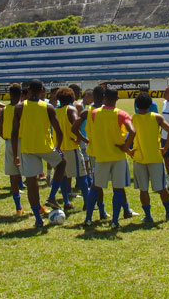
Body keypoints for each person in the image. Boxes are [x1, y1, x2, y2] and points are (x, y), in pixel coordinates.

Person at [11, 79, 67, 228]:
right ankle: (52, 196)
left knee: (31, 183)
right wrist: (58, 147)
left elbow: (14, 132)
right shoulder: (48, 107)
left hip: (27, 148)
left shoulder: (20, 107)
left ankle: (38, 218)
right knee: (62, 163)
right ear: (42, 90)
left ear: (28, 90)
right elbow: (59, 132)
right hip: (45, 146)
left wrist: (15, 154)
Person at [84, 88, 137, 229]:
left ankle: (88, 218)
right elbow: (132, 131)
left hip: (101, 156)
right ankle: (114, 221)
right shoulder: (122, 114)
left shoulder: (95, 113)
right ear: (117, 98)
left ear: (104, 97)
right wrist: (125, 146)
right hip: (118, 156)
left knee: (95, 187)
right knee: (118, 189)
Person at [130, 92, 169, 222]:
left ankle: (148, 216)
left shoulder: (134, 118)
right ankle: (168, 213)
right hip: (155, 157)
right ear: (150, 104)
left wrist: (128, 150)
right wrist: (165, 148)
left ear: (136, 105)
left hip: (139, 158)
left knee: (143, 190)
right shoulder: (157, 117)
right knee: (162, 187)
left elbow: (129, 135)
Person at [72, 85, 109, 221]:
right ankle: (102, 210)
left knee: (96, 182)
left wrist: (86, 140)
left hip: (94, 151)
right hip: (108, 151)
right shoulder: (106, 110)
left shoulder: (88, 111)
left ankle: (100, 210)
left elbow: (74, 128)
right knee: (116, 184)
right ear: (104, 97)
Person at [55, 87, 88, 211]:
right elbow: (76, 125)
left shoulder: (55, 111)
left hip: (59, 148)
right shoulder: (71, 109)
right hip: (71, 147)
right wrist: (80, 139)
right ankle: (87, 202)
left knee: (63, 176)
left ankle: (66, 202)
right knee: (82, 175)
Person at [0, 83, 25, 214]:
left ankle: (18, 206)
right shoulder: (22, 108)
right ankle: (37, 206)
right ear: (21, 94)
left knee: (13, 176)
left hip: (9, 142)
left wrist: (7, 138)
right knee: (31, 175)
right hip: (22, 142)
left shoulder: (5, 110)